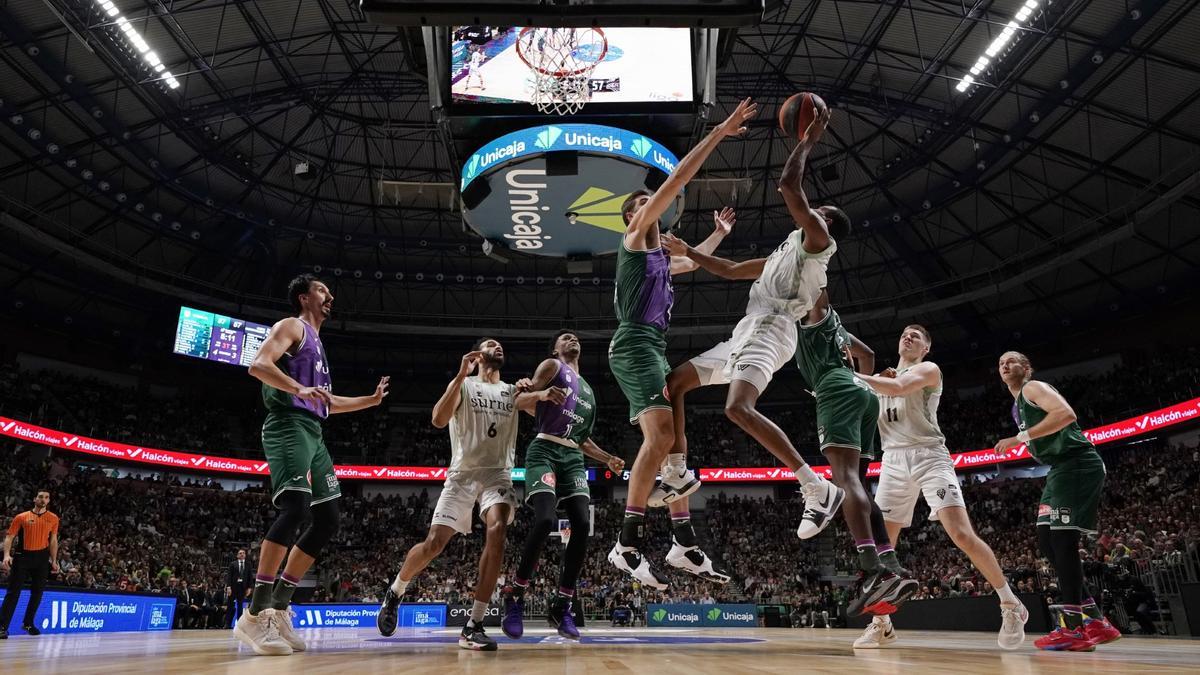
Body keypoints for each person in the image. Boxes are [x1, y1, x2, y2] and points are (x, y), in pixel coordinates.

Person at [659, 120, 847, 540]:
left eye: (822, 213)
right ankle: (676, 472)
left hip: (774, 331)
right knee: (673, 383)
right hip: (746, 333)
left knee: (736, 408)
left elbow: (788, 185)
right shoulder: (785, 251)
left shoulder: (818, 241)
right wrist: (687, 250)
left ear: (826, 225)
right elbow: (728, 270)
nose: (814, 213)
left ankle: (816, 488)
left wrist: (808, 141)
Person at [608, 98, 757, 589]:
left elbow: (691, 264)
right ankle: (626, 543)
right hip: (634, 345)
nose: (646, 211)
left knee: (675, 433)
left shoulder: (657, 261)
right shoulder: (634, 242)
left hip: (650, 346)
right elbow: (676, 182)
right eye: (640, 208)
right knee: (661, 439)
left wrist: (715, 236)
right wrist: (718, 134)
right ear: (635, 217)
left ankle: (683, 541)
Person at [238, 273, 391, 656]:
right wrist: (297, 388)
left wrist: (369, 401)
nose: (330, 296)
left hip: (313, 431)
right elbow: (258, 364)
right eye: (323, 290)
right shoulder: (292, 326)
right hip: (288, 426)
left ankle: (279, 605)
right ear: (305, 298)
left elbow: (326, 401)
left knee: (328, 519)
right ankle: (254, 614)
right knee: (295, 509)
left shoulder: (319, 345)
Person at [850, 326, 1029, 649]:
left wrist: (853, 377)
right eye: (905, 333)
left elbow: (901, 386)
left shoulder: (928, 370)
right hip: (892, 460)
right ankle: (882, 623)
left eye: (916, 336)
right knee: (881, 551)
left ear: (926, 348)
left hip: (929, 455)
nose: (908, 336)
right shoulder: (881, 379)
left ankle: (1011, 604)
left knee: (961, 534)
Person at [377, 338, 530, 651]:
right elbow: (437, 419)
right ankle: (396, 590)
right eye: (491, 344)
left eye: (501, 345)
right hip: (462, 475)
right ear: (477, 354)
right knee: (434, 544)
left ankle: (473, 625)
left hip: (497, 474)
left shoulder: (513, 390)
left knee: (498, 530)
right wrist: (460, 375)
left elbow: (542, 406)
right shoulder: (464, 385)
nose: (498, 347)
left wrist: (535, 385)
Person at [501, 330, 625, 641]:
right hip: (544, 449)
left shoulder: (589, 392)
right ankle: (515, 595)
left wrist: (607, 458)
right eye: (564, 338)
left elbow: (581, 440)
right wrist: (540, 395)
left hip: (571, 456)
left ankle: (562, 604)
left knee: (582, 523)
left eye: (574, 337)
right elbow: (518, 401)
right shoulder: (552, 367)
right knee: (545, 520)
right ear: (556, 348)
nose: (572, 339)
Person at [994, 351, 1121, 651]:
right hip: (1059, 469)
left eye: (1011, 361)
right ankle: (1096, 621)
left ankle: (1074, 628)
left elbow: (1066, 415)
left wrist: (1021, 437)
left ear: (1026, 368)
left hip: (1077, 462)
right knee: (1047, 543)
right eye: (1000, 363)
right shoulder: (1018, 404)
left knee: (1062, 542)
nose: (1004, 365)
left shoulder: (1032, 388)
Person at [0, 489, 59, 639]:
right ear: (34, 499)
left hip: (41, 558)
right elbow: (10, 537)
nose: (43, 500)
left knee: (38, 592)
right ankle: (2, 626)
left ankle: (28, 623)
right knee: (13, 592)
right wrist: (7, 555)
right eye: (40, 497)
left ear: (49, 501)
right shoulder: (21, 517)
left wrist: (54, 560)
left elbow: (53, 540)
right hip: (22, 556)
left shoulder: (53, 518)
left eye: (46, 497)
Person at [226, 548, 253, 628]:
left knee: (240, 606)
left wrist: (249, 588)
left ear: (245, 555)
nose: (242, 554)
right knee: (230, 605)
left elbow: (250, 577)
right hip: (233, 587)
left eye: (243, 553)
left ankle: (240, 625)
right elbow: (229, 576)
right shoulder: (232, 564)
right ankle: (227, 624)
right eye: (240, 553)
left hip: (242, 588)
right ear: (237, 555)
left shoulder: (248, 564)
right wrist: (228, 587)